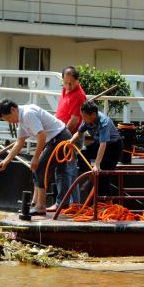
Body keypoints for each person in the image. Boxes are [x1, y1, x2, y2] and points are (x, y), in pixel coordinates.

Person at [0, 99, 71, 215]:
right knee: (37, 168)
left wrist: (35, 158)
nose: (10, 122)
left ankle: (40, 206)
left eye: (9, 118)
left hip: (60, 138)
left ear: (13, 110)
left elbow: (42, 136)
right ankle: (35, 204)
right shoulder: (21, 119)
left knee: (40, 167)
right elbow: (19, 143)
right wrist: (6, 161)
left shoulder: (27, 114)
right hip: (54, 139)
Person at [47, 66, 87, 212]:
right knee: (65, 170)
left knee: (68, 170)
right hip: (62, 133)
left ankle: (71, 204)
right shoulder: (65, 91)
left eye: (71, 83)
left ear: (77, 80)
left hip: (71, 137)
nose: (68, 86)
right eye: (66, 83)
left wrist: (61, 135)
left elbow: (75, 120)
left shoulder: (79, 95)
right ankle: (71, 203)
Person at [69, 101, 122, 198]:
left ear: (93, 114)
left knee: (104, 174)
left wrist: (97, 165)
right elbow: (79, 132)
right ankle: (91, 177)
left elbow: (103, 144)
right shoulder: (86, 120)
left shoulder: (103, 122)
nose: (83, 118)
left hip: (113, 147)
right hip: (99, 143)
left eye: (84, 116)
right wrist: (70, 141)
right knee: (82, 153)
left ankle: (107, 203)